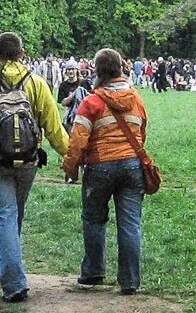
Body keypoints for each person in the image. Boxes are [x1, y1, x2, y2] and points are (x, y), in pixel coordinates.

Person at [0, 32, 69, 302]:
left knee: (6, 216)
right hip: (29, 160)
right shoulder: (37, 83)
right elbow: (54, 128)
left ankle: (13, 283)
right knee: (14, 214)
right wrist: (71, 157)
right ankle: (4, 261)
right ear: (22, 53)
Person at [62, 48, 148, 295]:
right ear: (121, 68)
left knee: (93, 219)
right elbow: (142, 131)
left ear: (96, 71)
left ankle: (93, 271)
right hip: (132, 166)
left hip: (99, 167)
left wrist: (71, 168)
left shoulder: (91, 102)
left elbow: (77, 141)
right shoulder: (136, 99)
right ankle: (130, 280)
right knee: (130, 224)